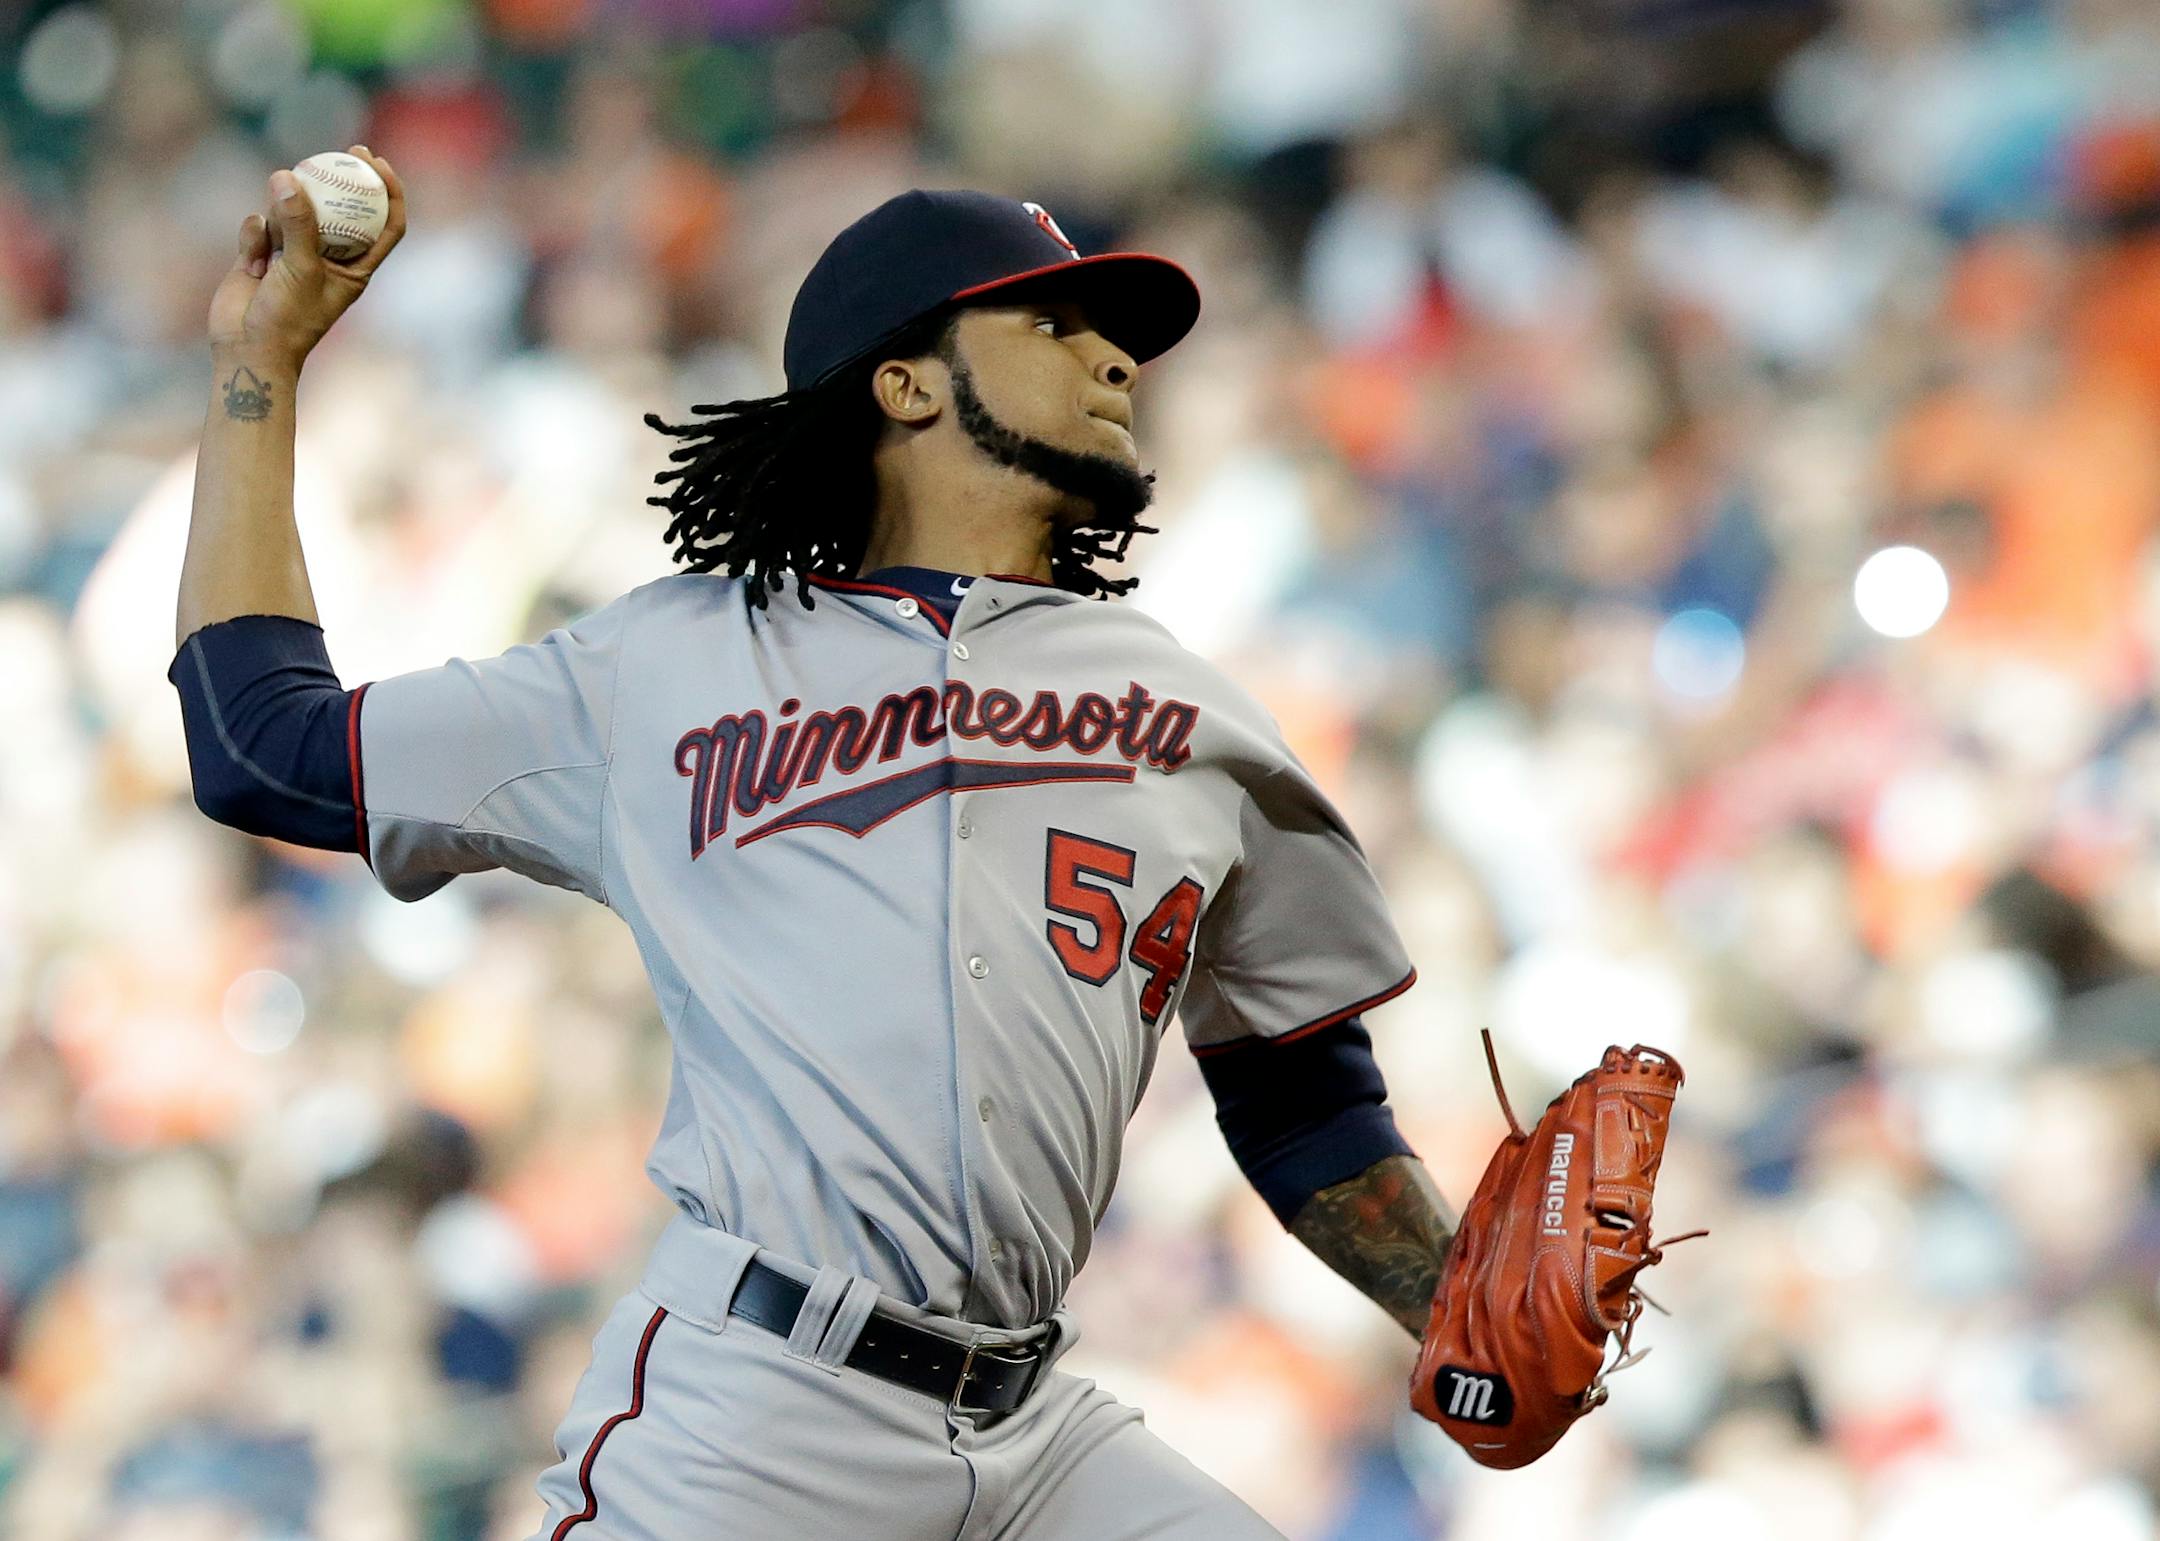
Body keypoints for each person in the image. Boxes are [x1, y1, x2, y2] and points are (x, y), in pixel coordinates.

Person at [171, 162, 1461, 1539]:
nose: (1113, 360)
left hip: (1039, 1424)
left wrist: (1458, 1312)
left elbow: (1306, 1105)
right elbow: (262, 748)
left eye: (1116, 336)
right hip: (763, 1406)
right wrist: (260, 373)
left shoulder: (1197, 714)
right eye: (1051, 323)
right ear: (905, 385)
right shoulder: (665, 661)